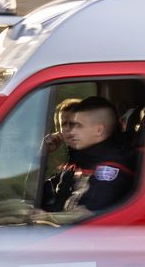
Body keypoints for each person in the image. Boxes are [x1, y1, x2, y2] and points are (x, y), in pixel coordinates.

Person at [31, 96, 136, 224]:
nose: (71, 131)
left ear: (98, 130)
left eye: (77, 126)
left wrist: (47, 218)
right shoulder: (79, 161)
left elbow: (88, 216)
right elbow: (34, 195)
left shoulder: (111, 166)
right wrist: (41, 155)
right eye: (65, 125)